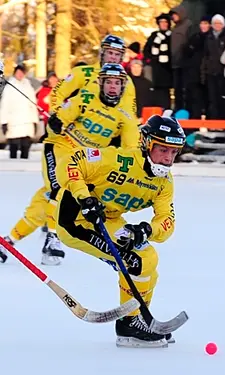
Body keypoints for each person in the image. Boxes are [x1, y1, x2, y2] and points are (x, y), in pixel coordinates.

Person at [54, 115, 185, 348]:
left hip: (108, 220)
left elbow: (167, 222)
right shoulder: (119, 159)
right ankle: (129, 325)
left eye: (173, 152)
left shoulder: (164, 183)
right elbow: (71, 161)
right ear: (147, 144)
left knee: (148, 260)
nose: (167, 158)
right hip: (74, 220)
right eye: (162, 149)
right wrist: (84, 198)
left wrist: (146, 230)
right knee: (136, 261)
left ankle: (139, 319)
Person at [0, 64, 139, 266]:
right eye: (108, 82)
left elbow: (132, 151)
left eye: (117, 83)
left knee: (44, 203)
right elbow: (59, 119)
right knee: (61, 189)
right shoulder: (85, 98)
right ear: (100, 83)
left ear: (123, 87)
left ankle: (7, 242)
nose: (112, 87)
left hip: (83, 161)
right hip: (58, 148)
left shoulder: (125, 116)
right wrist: (56, 121)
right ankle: (53, 238)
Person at [51, 35, 136, 118]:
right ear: (102, 52)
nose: (113, 57)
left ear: (121, 57)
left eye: (117, 54)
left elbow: (130, 112)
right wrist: (58, 115)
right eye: (110, 53)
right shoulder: (82, 72)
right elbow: (57, 93)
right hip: (77, 127)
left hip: (109, 129)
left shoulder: (127, 81)